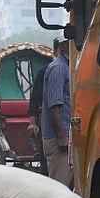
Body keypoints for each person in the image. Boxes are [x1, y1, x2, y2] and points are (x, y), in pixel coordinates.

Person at [42, 37, 73, 187]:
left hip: (66, 134)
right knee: (61, 187)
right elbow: (54, 104)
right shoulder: (58, 68)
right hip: (58, 137)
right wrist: (62, 135)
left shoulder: (67, 67)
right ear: (63, 47)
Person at [26, 60, 49, 175]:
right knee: (45, 160)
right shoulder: (45, 72)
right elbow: (35, 100)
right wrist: (32, 122)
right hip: (47, 123)